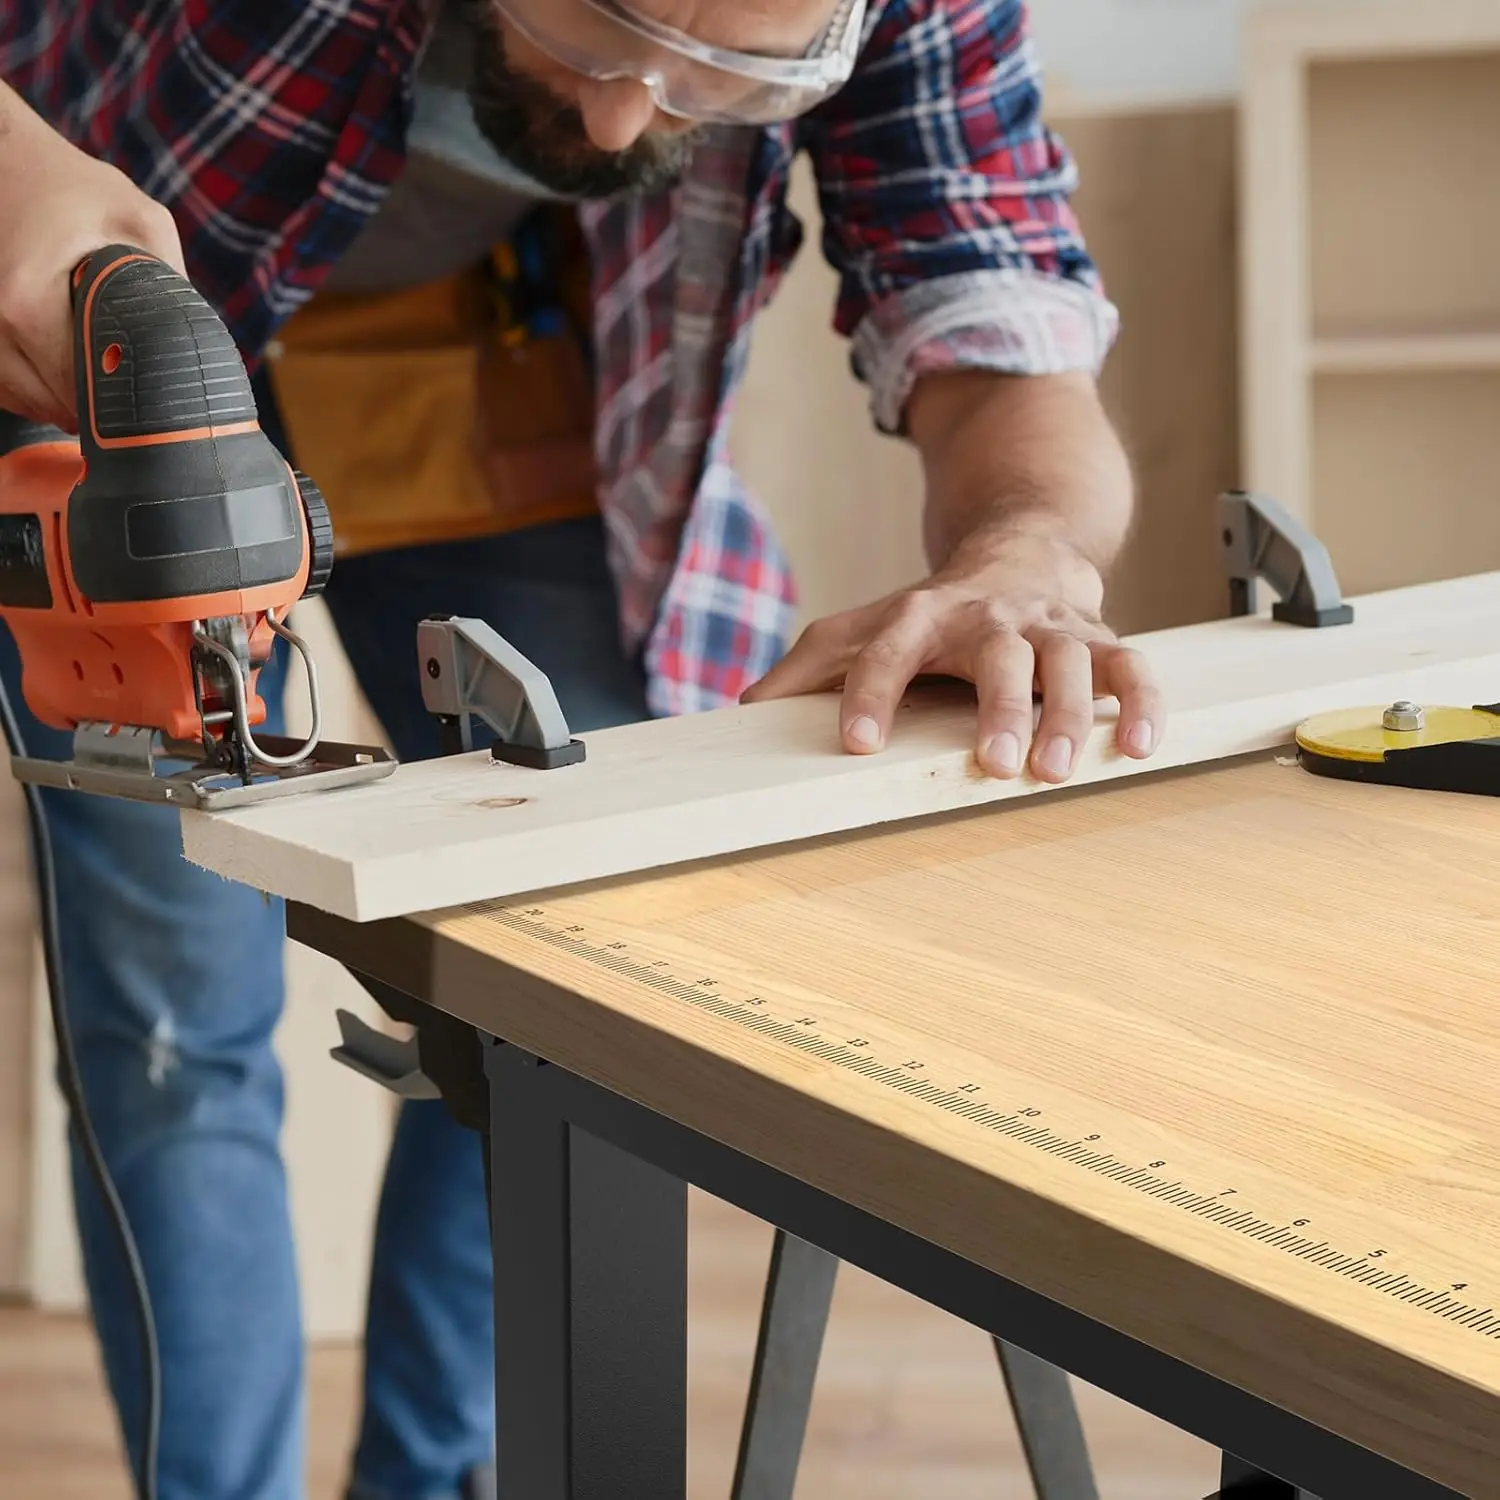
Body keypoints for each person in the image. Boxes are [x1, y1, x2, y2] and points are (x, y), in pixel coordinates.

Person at [0, 2, 1166, 1497]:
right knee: (173, 1034)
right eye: (598, 30)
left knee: (540, 987)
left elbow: (990, 279)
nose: (625, 124)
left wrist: (1026, 550)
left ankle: (437, 1484)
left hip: (493, 351)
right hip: (84, 360)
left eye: (725, 77)